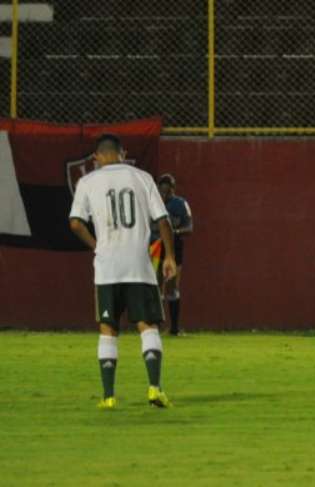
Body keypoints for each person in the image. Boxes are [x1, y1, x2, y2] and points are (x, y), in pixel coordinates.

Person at [69, 133, 177, 410]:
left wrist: (97, 245)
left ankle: (108, 396)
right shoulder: (142, 177)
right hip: (138, 265)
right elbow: (163, 220)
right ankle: (154, 389)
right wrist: (170, 257)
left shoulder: (87, 181)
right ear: (123, 152)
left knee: (107, 329)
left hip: (107, 267)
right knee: (147, 326)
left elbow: (75, 223)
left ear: (96, 157)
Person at [151, 173, 193, 336]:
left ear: (173, 190)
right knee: (156, 285)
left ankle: (174, 328)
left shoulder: (181, 204)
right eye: (161, 191)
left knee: (172, 286)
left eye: (167, 191)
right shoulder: (152, 204)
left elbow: (189, 227)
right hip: (155, 246)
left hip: (174, 248)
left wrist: (174, 231)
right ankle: (156, 327)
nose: (164, 195)